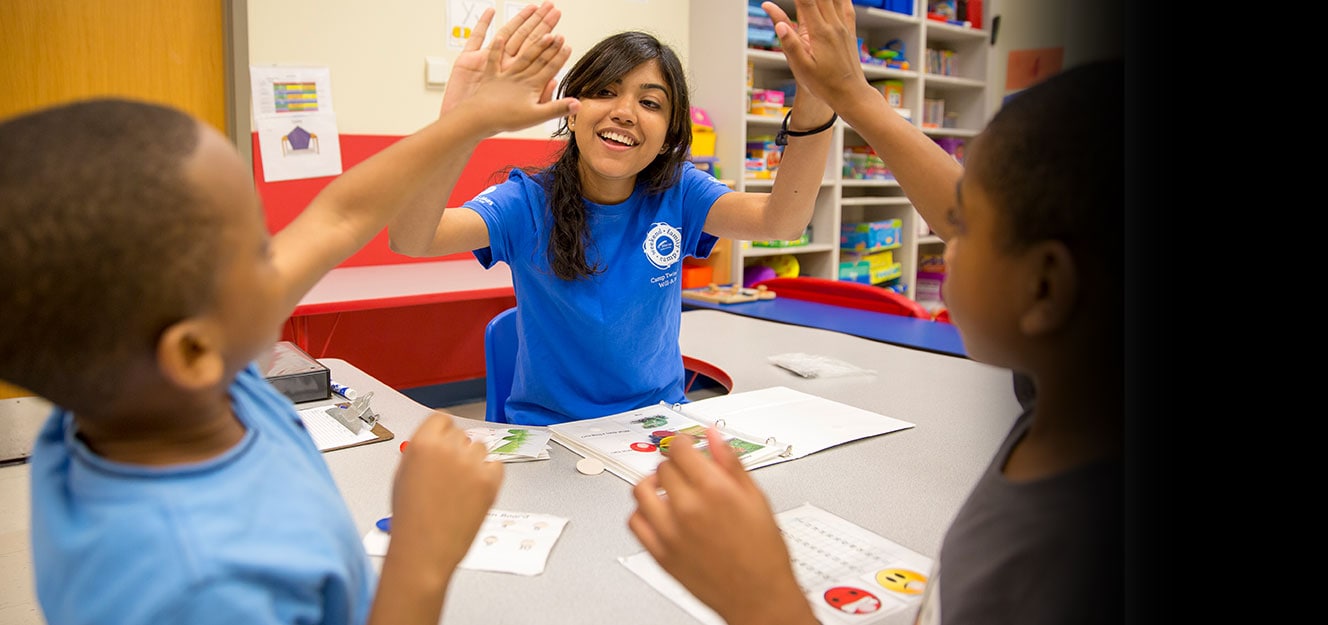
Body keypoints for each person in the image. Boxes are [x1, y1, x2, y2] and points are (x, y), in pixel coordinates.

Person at [0, 6, 575, 624]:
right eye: (257, 249)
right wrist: (424, 548)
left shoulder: (148, 392)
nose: (287, 251)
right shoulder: (193, 584)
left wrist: (469, 120)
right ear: (193, 351)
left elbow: (338, 216)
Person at [625, 2, 1123, 623]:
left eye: (961, 224)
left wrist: (761, 596)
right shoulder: (1066, 417)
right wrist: (849, 90)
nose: (942, 230)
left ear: (1045, 289)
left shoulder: (1066, 561)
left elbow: (781, 218)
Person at [387, 26, 837, 426]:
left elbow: (783, 220)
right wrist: (457, 124)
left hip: (659, 423)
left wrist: (815, 98)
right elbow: (412, 239)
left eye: (649, 102)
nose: (624, 112)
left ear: (668, 136)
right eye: (604, 91)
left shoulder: (679, 192)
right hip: (553, 434)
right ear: (571, 111)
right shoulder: (527, 200)